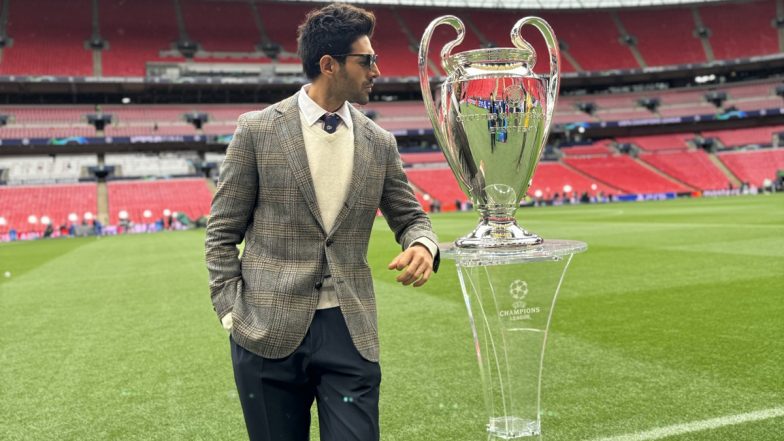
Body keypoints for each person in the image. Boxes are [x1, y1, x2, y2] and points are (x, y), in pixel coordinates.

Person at [204, 4, 439, 441]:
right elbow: (221, 233)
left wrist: (424, 245)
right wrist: (230, 313)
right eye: (366, 60)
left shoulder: (379, 142)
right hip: (265, 331)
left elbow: (411, 217)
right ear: (328, 65)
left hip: (349, 331)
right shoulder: (256, 131)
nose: (377, 70)